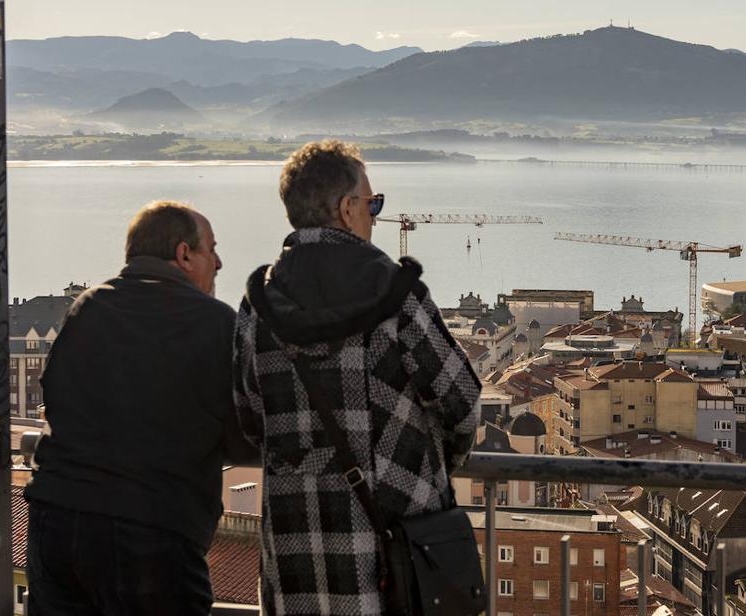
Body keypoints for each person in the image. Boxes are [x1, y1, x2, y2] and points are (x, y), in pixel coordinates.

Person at [233, 140, 482, 615]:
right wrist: (431, 468)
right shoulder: (396, 296)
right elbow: (462, 399)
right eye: (373, 204)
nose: (376, 215)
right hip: (396, 553)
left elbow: (250, 418)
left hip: (295, 553)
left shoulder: (257, 306)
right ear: (347, 210)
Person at [25, 200, 256, 615]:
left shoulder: (88, 307)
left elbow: (53, 395)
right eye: (212, 249)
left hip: (57, 522)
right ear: (184, 254)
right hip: (152, 532)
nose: (219, 263)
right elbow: (243, 435)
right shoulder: (216, 323)